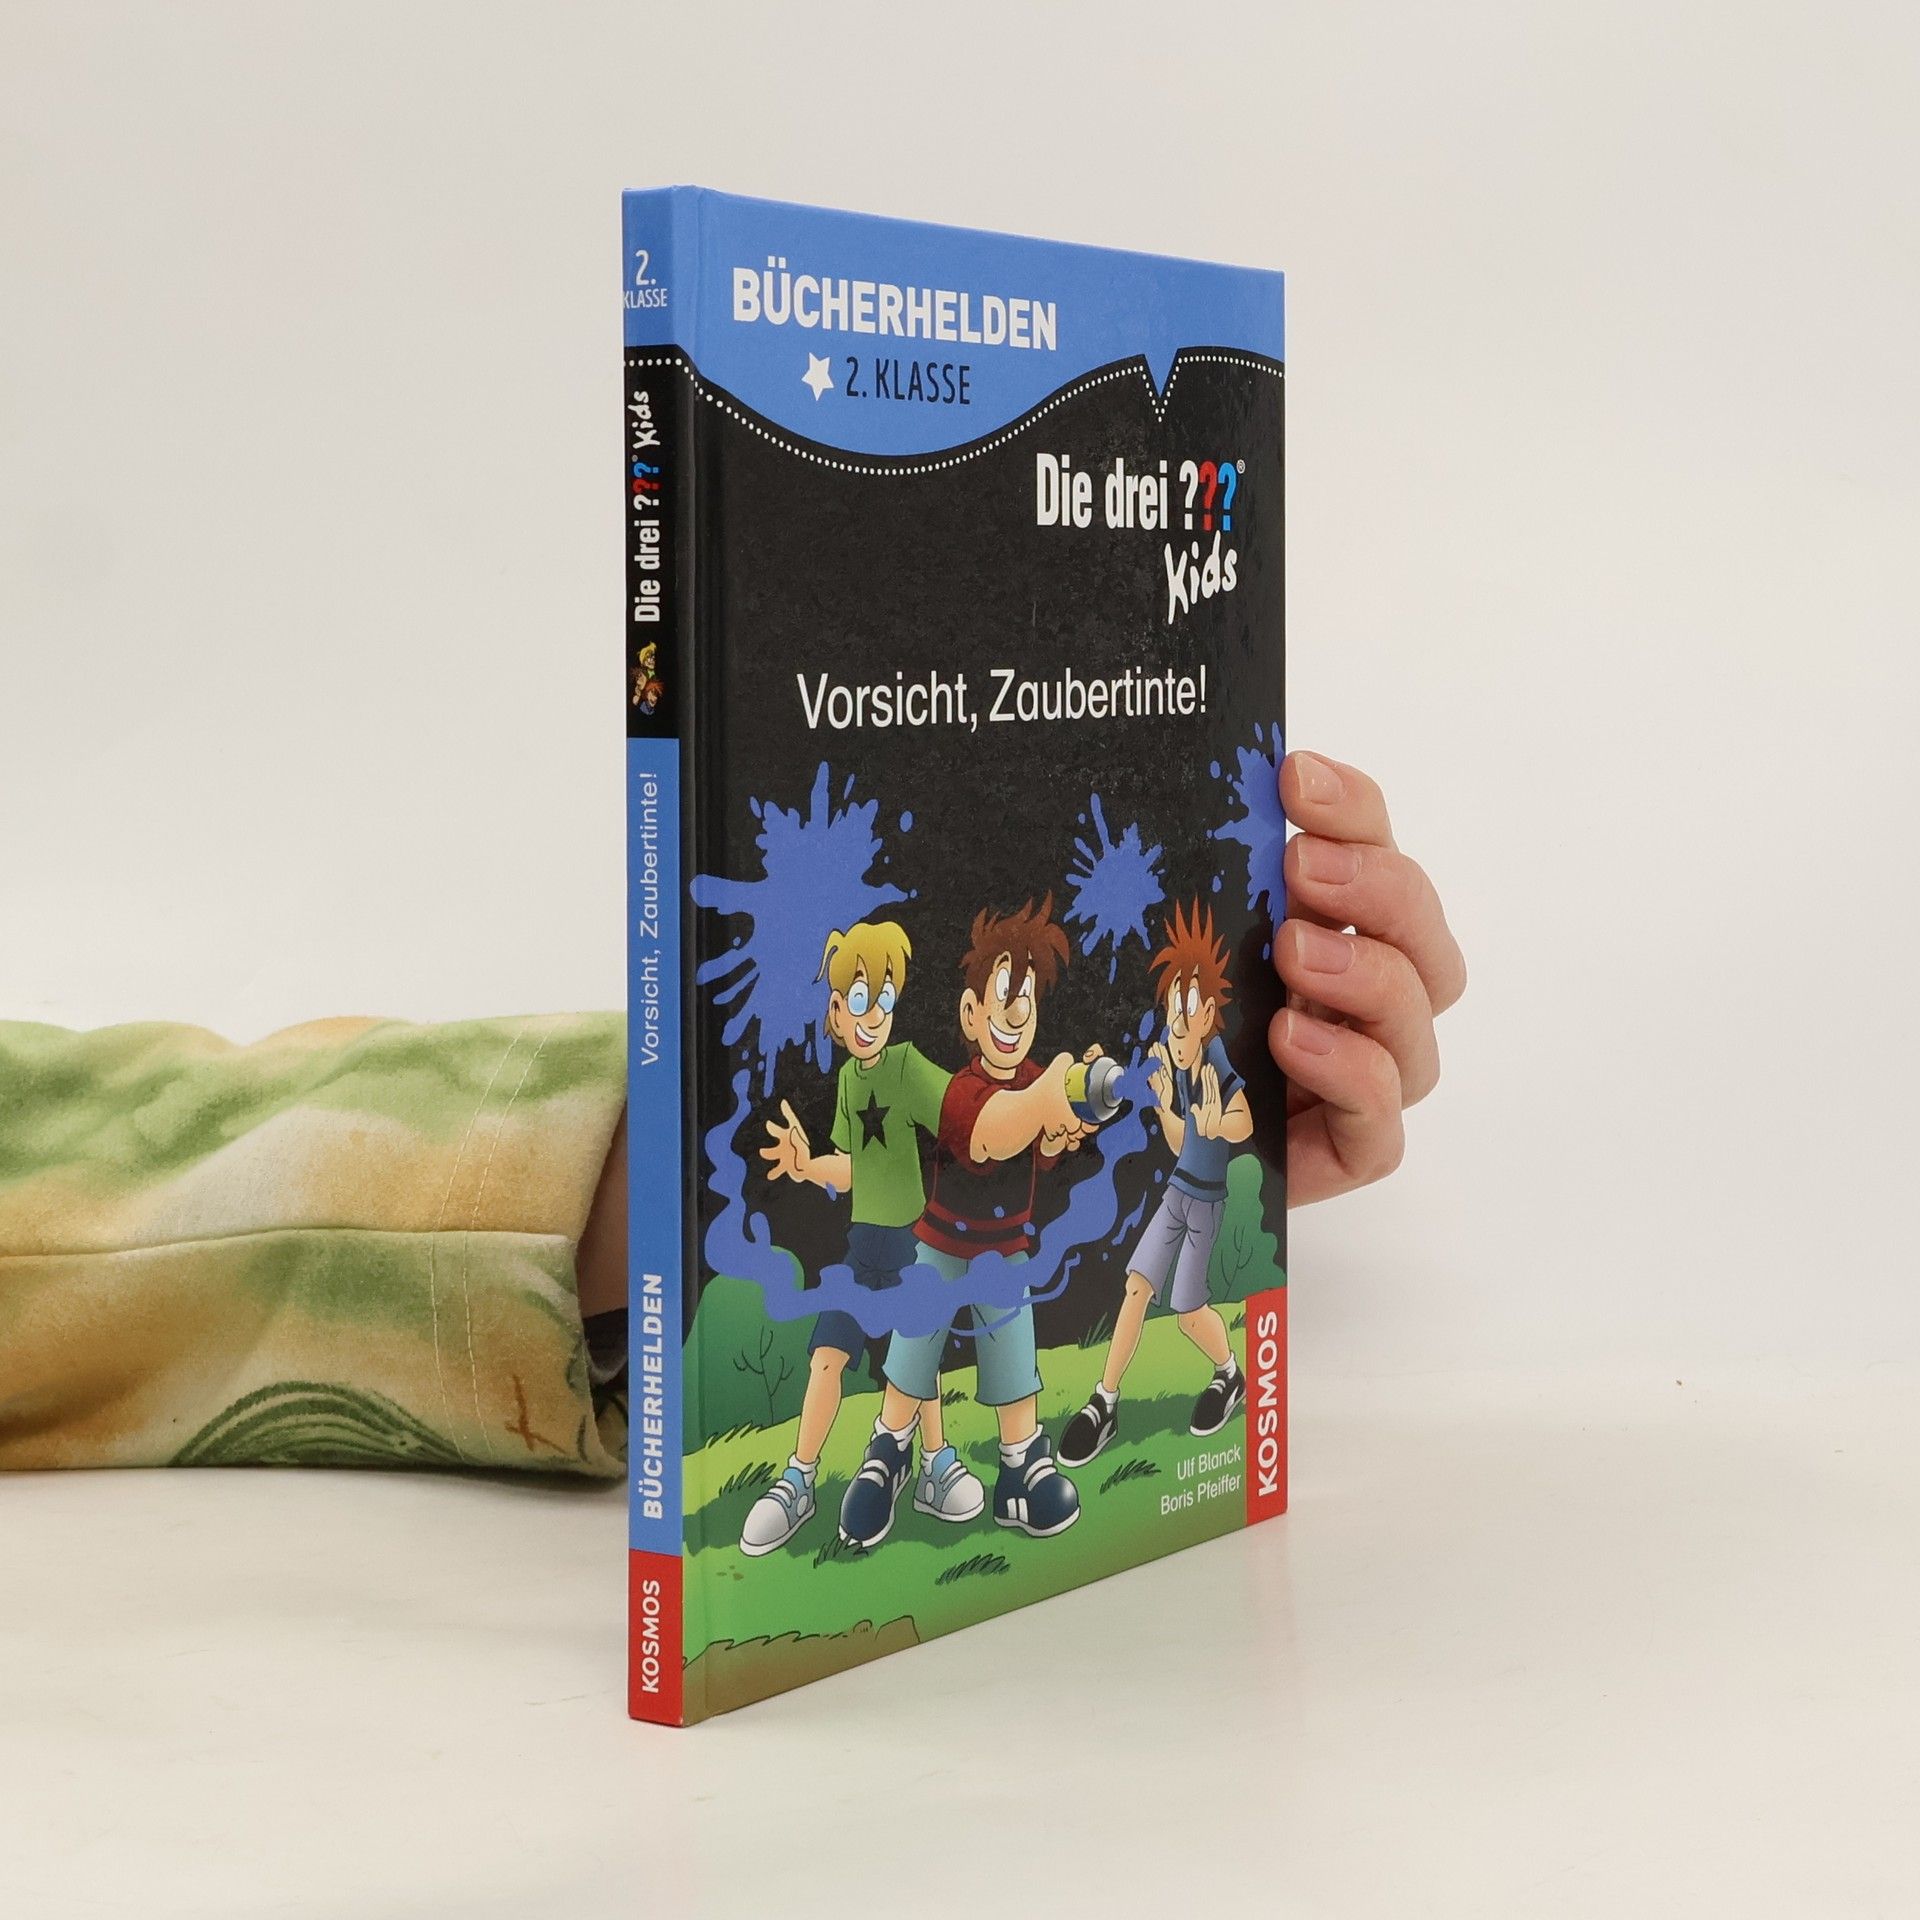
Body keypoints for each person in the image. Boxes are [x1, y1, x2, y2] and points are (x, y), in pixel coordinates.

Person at [0, 753, 1464, 1475]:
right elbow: (970, 1128)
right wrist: (812, 1157)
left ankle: (1008, 1451)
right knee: (908, 1348)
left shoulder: (958, 1078)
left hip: (992, 1248)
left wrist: (617, 1174)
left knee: (1037, 1331)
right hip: (923, 1250)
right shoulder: (916, 1075)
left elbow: (111, 1161)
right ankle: (908, 1458)